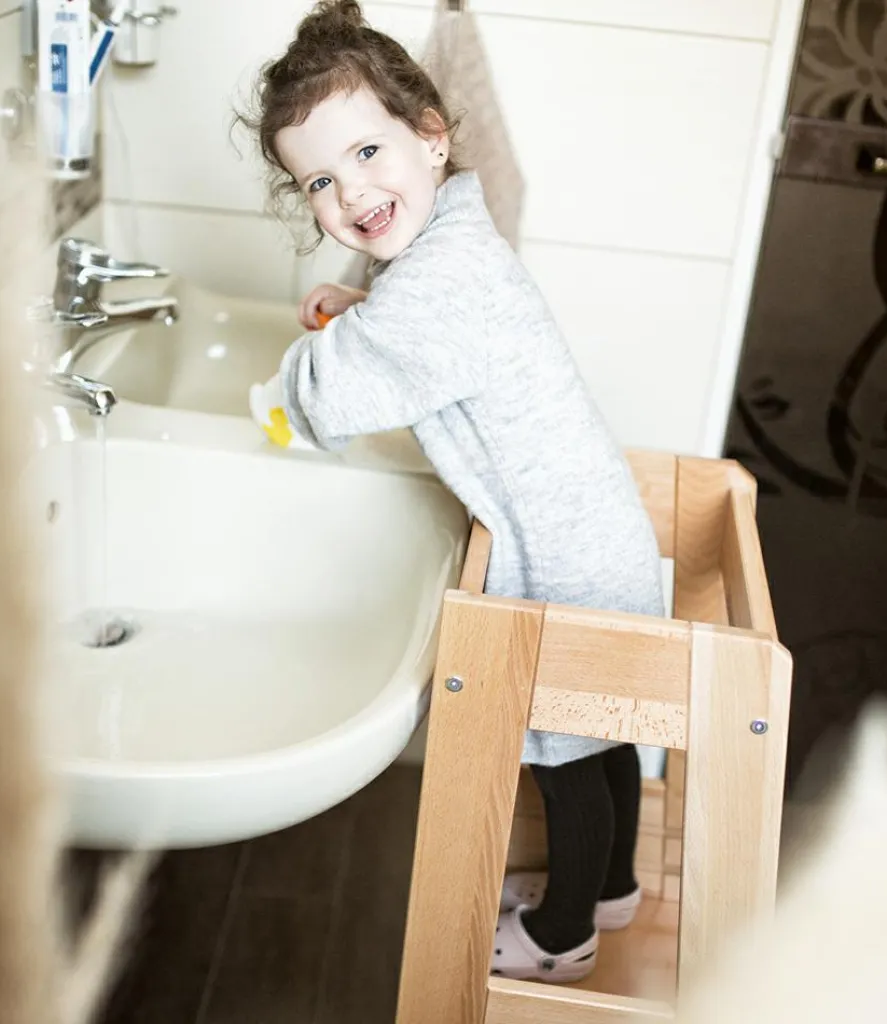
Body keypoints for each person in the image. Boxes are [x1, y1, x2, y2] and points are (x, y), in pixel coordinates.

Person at [240, 0, 665, 983]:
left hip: (561, 559)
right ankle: (612, 887)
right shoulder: (453, 247)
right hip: (598, 533)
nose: (351, 191)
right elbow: (423, 337)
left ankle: (564, 934)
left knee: (565, 753)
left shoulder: (442, 281)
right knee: (603, 732)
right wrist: (360, 306)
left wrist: (283, 397)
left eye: (367, 152)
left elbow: (341, 393)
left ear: (431, 136)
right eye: (319, 179)